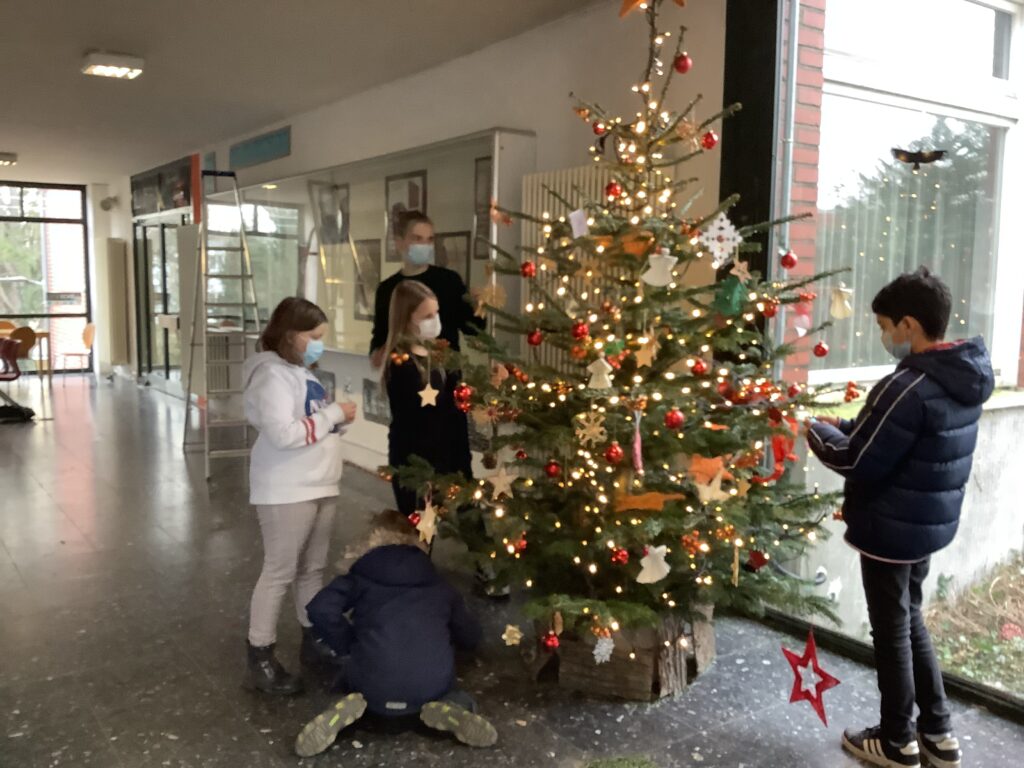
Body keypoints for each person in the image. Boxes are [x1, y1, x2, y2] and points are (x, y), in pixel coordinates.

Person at [807, 267, 993, 768]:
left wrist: (810, 430)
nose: (885, 337)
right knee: (911, 622)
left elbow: (858, 460)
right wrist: (842, 424)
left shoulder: (907, 385)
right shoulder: (962, 375)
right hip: (925, 525)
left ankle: (896, 741)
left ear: (909, 325)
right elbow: (889, 437)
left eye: (886, 326)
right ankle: (938, 733)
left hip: (890, 528)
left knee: (891, 631)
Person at [294, 510, 497, 757]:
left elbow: (320, 609)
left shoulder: (361, 575)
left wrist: (348, 644)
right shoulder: (439, 584)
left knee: (351, 676)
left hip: (372, 685)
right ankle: (451, 706)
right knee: (452, 688)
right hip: (429, 685)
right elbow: (471, 635)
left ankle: (342, 706)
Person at [242, 297, 358, 695]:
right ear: (290, 334)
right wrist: (331, 416)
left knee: (311, 570)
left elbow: (312, 420)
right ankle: (260, 654)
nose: (318, 344)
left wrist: (336, 421)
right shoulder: (270, 376)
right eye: (314, 336)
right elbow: (284, 433)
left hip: (319, 482)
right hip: (287, 488)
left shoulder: (298, 372)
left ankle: (314, 638)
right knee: (279, 571)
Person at [381, 280, 472, 517]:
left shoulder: (443, 355)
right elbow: (415, 417)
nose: (435, 321)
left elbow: (457, 407)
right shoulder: (401, 362)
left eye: (436, 313)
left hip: (452, 456)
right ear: (407, 318)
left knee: (471, 521)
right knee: (421, 531)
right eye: (426, 316)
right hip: (416, 464)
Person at [369, 210, 483, 369]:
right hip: (405, 377)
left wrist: (479, 306)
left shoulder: (449, 281)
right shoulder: (387, 289)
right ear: (399, 242)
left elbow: (473, 329)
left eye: (429, 240)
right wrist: (381, 354)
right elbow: (379, 340)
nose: (424, 245)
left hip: (446, 377)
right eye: (417, 239)